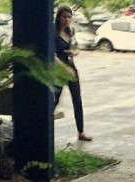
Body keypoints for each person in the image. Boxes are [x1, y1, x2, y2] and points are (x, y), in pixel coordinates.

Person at [54, 6, 92, 142]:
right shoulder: (53, 32)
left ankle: (81, 132)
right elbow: (52, 55)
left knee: (77, 99)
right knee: (55, 99)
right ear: (58, 17)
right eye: (64, 17)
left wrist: (74, 52)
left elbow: (75, 47)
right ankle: (43, 128)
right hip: (58, 70)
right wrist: (64, 68)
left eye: (69, 17)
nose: (67, 20)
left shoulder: (70, 31)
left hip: (71, 68)